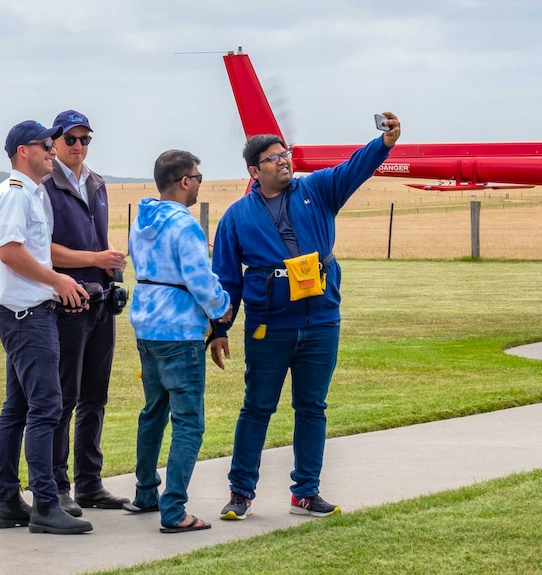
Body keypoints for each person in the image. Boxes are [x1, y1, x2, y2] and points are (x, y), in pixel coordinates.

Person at [210, 113, 402, 520]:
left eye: (286, 153)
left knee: (312, 407)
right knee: (257, 407)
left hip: (321, 322)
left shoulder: (319, 189)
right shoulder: (236, 218)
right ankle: (241, 493)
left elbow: (355, 167)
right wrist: (219, 328)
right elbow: (227, 279)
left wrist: (384, 143)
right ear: (253, 170)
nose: (284, 160)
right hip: (269, 326)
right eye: (273, 157)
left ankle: (306, 493)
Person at [0, 120, 93, 534]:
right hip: (27, 317)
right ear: (22, 152)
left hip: (23, 313)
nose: (54, 149)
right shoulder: (15, 195)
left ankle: (8, 501)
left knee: (18, 408)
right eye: (46, 144)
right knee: (46, 407)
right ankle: (46, 504)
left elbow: (27, 251)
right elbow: (11, 253)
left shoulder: (30, 194)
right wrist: (58, 281)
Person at [126, 150, 231, 533]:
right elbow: (200, 280)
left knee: (153, 412)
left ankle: (145, 492)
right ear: (185, 181)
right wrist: (222, 308)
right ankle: (174, 510)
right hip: (180, 332)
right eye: (198, 177)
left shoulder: (142, 221)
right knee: (189, 422)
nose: (200, 183)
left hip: (147, 327)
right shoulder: (186, 227)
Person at [41, 109, 129, 516]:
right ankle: (57, 486)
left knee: (96, 395)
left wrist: (110, 266)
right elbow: (44, 250)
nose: (78, 146)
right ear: (53, 141)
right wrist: (95, 256)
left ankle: (89, 484)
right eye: (71, 139)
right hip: (67, 302)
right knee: (64, 396)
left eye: (85, 139)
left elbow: (95, 238)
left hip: (100, 301)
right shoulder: (44, 185)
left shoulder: (97, 183)